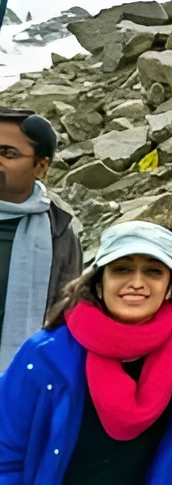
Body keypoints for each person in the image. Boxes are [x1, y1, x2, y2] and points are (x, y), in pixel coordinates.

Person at [0, 220, 172, 482]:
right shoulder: (44, 354)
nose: (137, 283)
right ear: (99, 281)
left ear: (170, 286)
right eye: (122, 269)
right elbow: (5, 453)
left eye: (153, 271)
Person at [0, 107, 82, 369]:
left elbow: (68, 315)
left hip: (21, 377)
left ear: (41, 166)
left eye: (7, 153)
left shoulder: (59, 234)